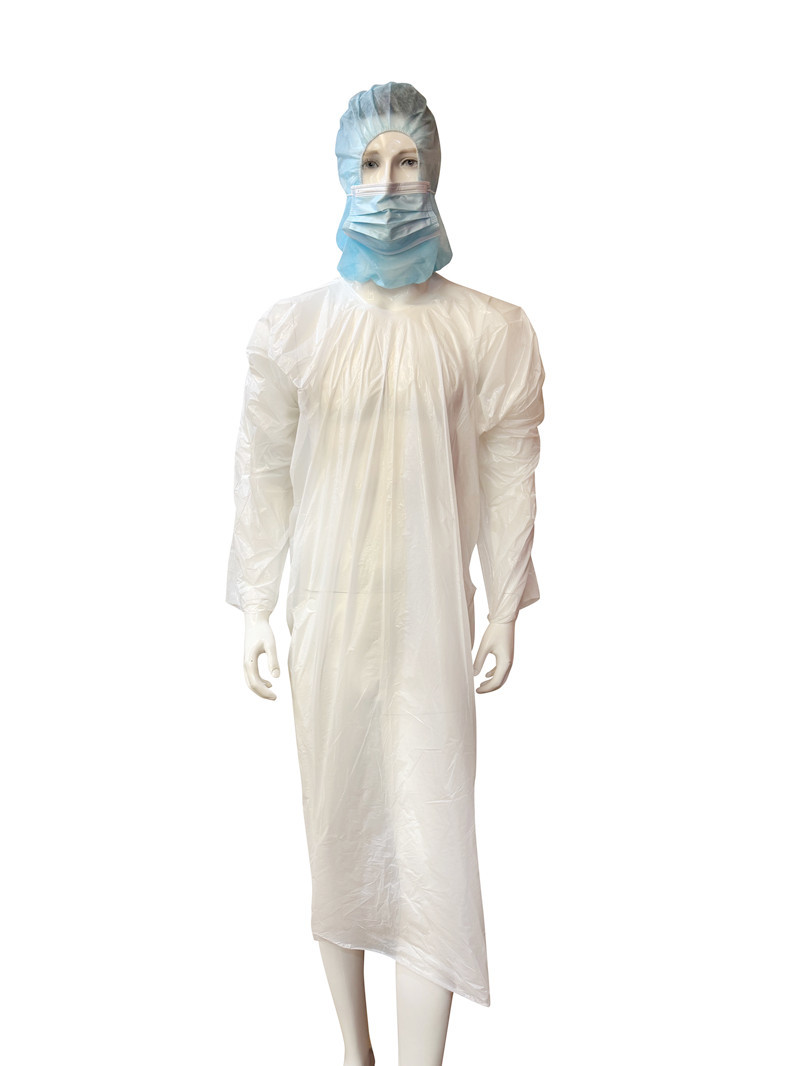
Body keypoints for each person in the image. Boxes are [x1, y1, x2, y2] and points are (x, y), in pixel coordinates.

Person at [226, 81, 545, 1066]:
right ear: (341, 171)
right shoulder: (294, 330)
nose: (390, 181)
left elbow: (509, 468)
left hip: (428, 620)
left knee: (432, 842)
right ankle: (354, 1052)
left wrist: (504, 603)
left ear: (435, 169)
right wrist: (257, 605)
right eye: (370, 162)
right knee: (341, 827)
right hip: (328, 615)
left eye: (407, 161)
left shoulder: (487, 329)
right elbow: (263, 471)